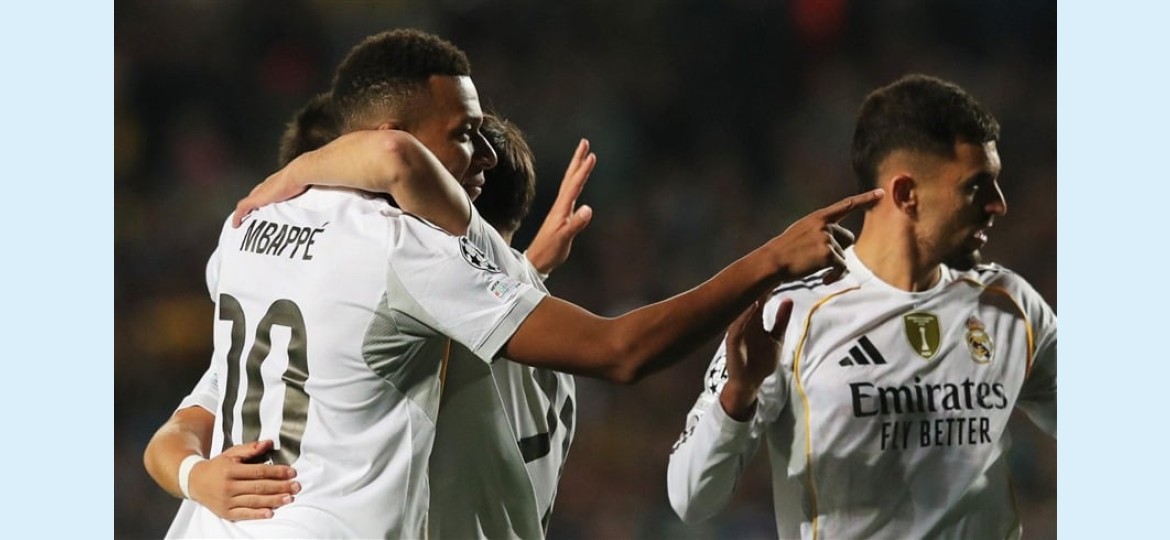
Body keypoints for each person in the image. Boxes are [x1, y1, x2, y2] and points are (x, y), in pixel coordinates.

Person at [158, 27, 882, 539]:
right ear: (390, 135)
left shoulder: (246, 229)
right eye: (463, 133)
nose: (482, 153)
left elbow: (200, 415)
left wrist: (193, 479)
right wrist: (771, 259)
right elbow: (620, 351)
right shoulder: (401, 249)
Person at [143, 103, 590, 528]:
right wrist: (528, 268)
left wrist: (299, 171)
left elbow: (394, 161)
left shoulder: (406, 327)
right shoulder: (542, 336)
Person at [666, 74, 1056, 539]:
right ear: (906, 193)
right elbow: (690, 499)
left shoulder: (1011, 306)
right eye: (977, 187)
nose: (999, 205)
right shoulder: (790, 316)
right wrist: (740, 393)